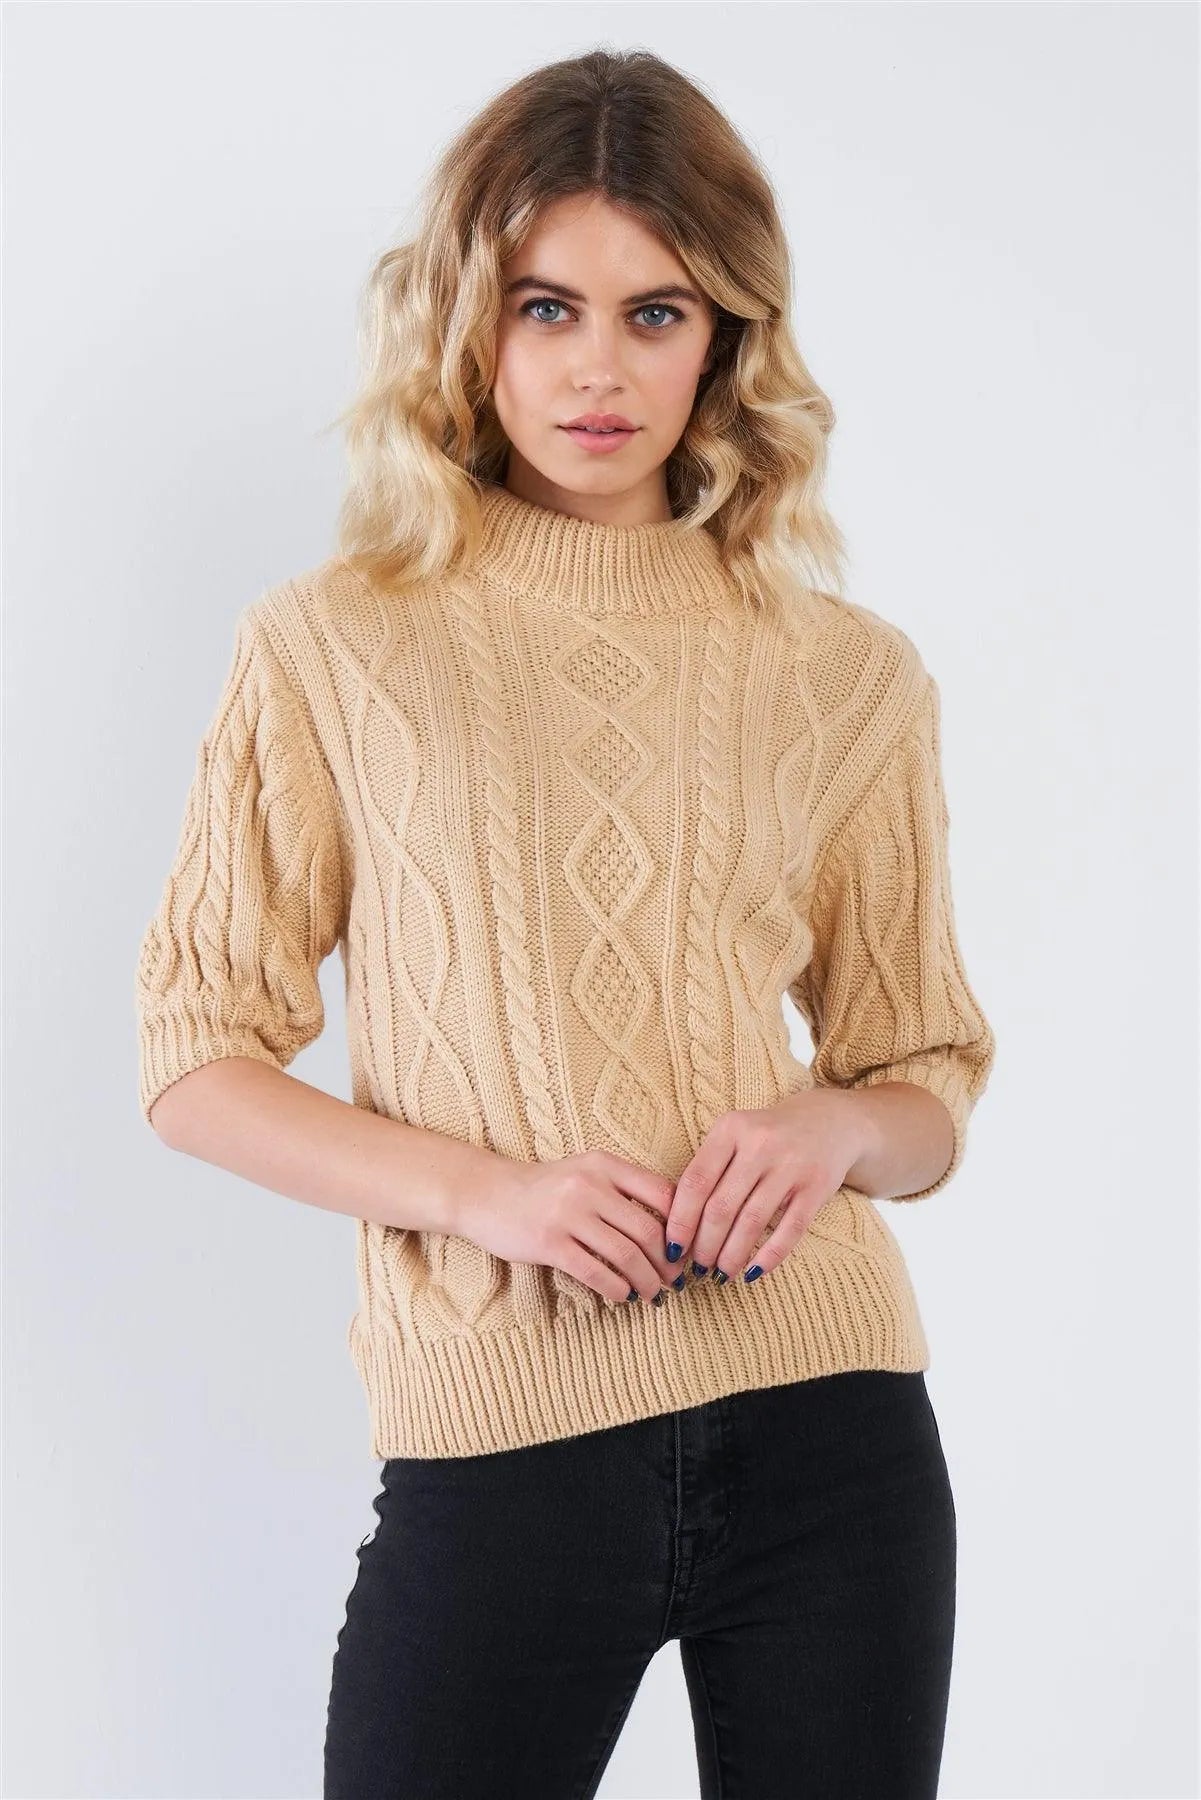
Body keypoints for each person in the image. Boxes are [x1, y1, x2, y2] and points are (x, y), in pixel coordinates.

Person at [133, 46, 996, 1800]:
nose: (598, 368)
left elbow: (924, 1080)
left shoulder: (846, 675)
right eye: (547, 307)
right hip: (500, 1442)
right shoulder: (333, 646)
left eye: (655, 313)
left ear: (724, 340)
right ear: (470, 323)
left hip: (829, 1429)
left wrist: (834, 1128)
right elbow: (194, 1060)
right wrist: (486, 1195)